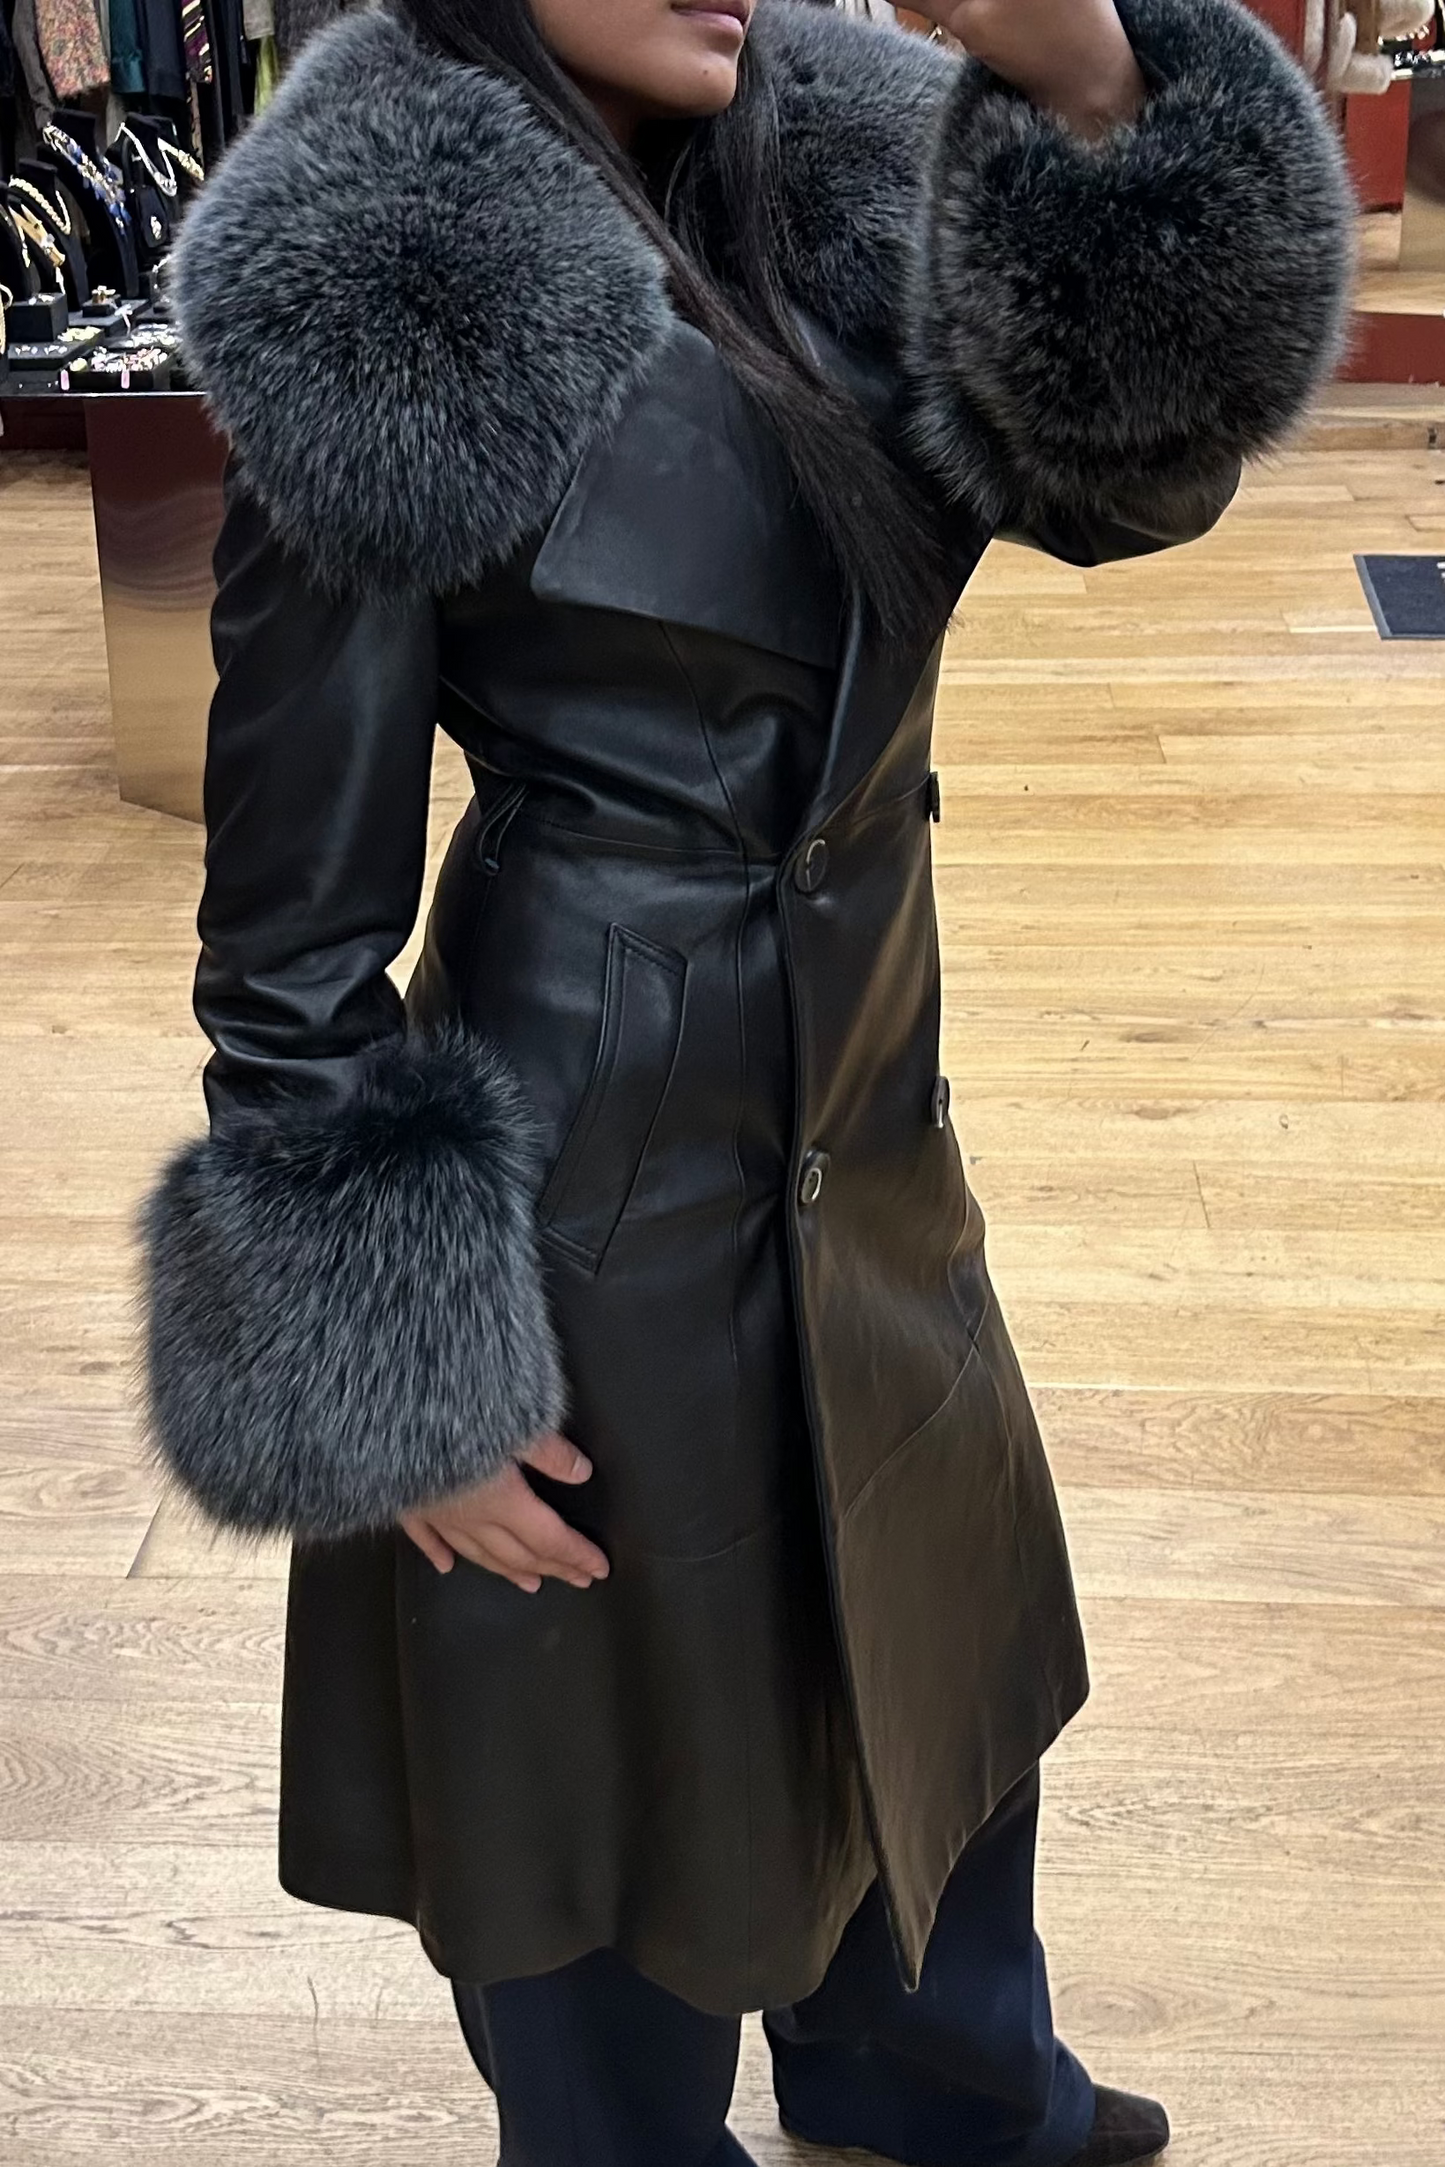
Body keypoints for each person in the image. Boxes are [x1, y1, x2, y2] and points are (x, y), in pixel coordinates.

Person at [141, 1, 1351, 2161]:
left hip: (870, 1090)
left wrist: (1091, 92)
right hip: (586, 1173)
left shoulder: (856, 149)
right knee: (601, 1764)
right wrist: (398, 1370)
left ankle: (937, 2079)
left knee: (926, 1638)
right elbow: (288, 947)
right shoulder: (376, 274)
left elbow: (1134, 489)